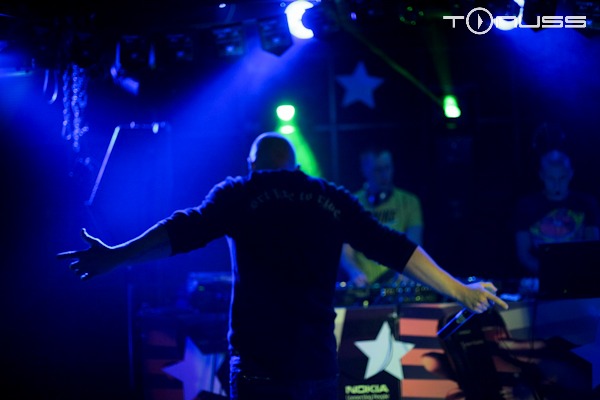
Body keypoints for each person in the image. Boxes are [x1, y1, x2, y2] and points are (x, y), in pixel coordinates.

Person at [57, 132, 508, 400]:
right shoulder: (331, 198)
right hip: (318, 368)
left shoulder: (240, 193)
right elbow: (394, 247)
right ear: (294, 165)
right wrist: (459, 290)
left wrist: (116, 255)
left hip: (260, 370)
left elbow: (179, 231)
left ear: (252, 165)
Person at [339, 146, 424, 287]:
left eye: (387, 168)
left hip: (398, 284)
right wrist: (354, 272)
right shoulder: (352, 203)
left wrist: (407, 272)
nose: (384, 175)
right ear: (364, 170)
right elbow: (345, 249)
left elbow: (414, 243)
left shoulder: (409, 202)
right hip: (365, 287)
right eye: (378, 170)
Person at [515, 149, 600, 279]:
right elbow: (524, 254)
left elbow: (592, 247)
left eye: (562, 178)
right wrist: (550, 274)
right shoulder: (527, 206)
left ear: (570, 174)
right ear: (542, 176)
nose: (557, 184)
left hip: (579, 276)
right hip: (539, 277)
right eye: (551, 178)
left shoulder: (586, 204)